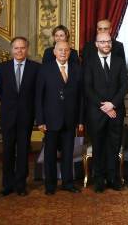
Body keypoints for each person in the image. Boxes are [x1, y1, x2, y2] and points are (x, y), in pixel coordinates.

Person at [35, 41, 84, 195]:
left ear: (70, 52)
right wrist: (40, 121)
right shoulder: (44, 69)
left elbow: (81, 98)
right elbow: (38, 97)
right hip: (50, 121)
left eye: (66, 50)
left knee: (68, 154)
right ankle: (50, 186)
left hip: (70, 120)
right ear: (54, 52)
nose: (63, 52)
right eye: (60, 50)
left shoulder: (77, 69)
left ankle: (68, 183)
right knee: (50, 154)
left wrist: (80, 120)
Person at [0, 37, 40, 197]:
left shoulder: (35, 68)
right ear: (11, 49)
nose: (19, 51)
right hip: (8, 116)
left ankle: (21, 184)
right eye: (16, 48)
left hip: (26, 116)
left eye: (22, 48)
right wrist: (10, 107)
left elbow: (37, 94)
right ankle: (7, 184)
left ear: (27, 49)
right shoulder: (2, 68)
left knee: (22, 151)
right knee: (7, 151)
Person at [84, 32, 128, 193]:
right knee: (99, 146)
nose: (106, 44)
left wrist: (113, 104)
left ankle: (113, 178)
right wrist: (104, 106)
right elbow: (88, 88)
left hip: (116, 111)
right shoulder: (89, 62)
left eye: (108, 41)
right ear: (96, 44)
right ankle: (99, 179)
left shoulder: (119, 61)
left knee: (114, 146)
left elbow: (124, 85)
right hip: (97, 112)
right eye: (102, 42)